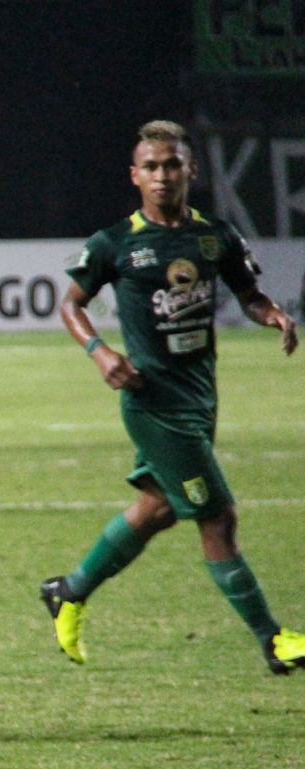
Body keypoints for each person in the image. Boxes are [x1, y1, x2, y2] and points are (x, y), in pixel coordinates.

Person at [40, 120, 303, 674]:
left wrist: (273, 313)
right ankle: (273, 641)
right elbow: (70, 304)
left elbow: (248, 293)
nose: (163, 176)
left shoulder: (215, 236)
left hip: (200, 396)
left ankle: (70, 590)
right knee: (218, 517)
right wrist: (100, 352)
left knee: (157, 509)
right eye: (152, 167)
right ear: (135, 176)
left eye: (173, 165)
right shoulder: (115, 243)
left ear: (191, 171)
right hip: (152, 403)